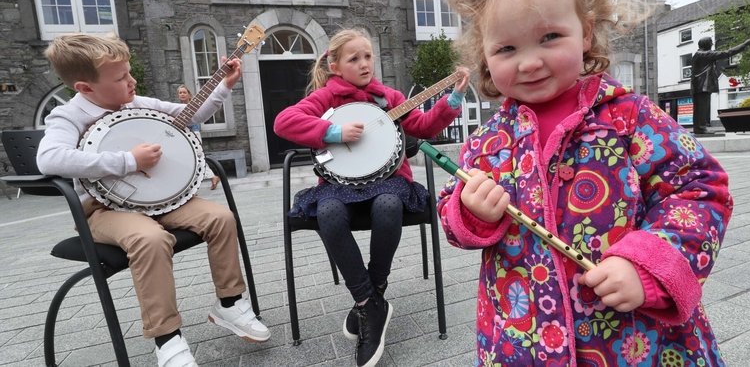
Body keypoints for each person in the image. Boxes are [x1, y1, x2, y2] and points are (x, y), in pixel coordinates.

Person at [436, 0, 732, 367]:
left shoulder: (629, 116)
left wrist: (647, 265)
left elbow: (699, 188)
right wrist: (469, 212)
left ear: (586, 33)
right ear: (483, 54)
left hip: (634, 340)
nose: (530, 61)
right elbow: (450, 209)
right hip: (523, 337)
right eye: (507, 48)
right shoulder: (487, 140)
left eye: (550, 36)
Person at [38, 33, 270, 367]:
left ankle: (230, 304)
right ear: (85, 88)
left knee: (220, 218)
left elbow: (191, 114)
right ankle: (167, 339)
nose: (131, 81)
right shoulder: (69, 116)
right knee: (150, 239)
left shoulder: (137, 103)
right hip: (103, 210)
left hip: (160, 202)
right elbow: (49, 159)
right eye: (120, 78)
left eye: (129, 72)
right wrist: (127, 161)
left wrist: (224, 85)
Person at [273, 28, 469, 367]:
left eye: (368, 57)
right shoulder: (327, 97)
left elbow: (422, 126)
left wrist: (452, 100)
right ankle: (369, 303)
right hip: (338, 186)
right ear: (335, 66)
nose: (364, 64)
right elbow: (283, 122)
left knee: (389, 204)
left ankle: (374, 290)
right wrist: (332, 132)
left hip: (389, 181)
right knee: (328, 212)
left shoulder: (389, 98)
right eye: (354, 59)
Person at [691, 36, 750, 134]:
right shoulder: (705, 54)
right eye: (710, 43)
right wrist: (744, 44)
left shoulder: (698, 54)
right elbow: (727, 53)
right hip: (702, 85)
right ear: (706, 44)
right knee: (702, 108)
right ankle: (701, 128)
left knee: (699, 108)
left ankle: (699, 128)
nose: (712, 44)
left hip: (698, 85)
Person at [176, 84, 221, 190]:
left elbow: (192, 121)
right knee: (191, 159)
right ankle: (211, 178)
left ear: (189, 94)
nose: (182, 94)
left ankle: (192, 186)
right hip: (184, 135)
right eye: (180, 93)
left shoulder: (192, 106)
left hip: (194, 135)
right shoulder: (177, 107)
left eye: (184, 92)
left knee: (196, 158)